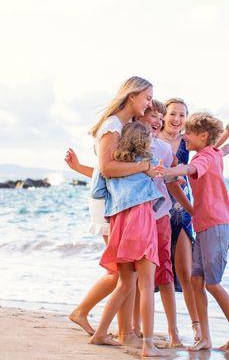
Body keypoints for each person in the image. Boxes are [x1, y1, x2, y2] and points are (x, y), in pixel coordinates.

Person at [65, 76, 157, 348]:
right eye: (147, 98)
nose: (150, 103)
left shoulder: (125, 126)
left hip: (120, 201)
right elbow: (107, 169)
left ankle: (122, 330)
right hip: (111, 204)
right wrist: (143, 168)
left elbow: (106, 170)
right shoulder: (113, 126)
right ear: (132, 96)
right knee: (122, 273)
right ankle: (97, 320)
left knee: (125, 274)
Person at [155, 112, 229, 353]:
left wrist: (167, 172)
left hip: (215, 226)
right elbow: (224, 149)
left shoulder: (204, 158)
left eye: (189, 133)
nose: (184, 136)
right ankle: (204, 338)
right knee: (196, 281)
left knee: (213, 284)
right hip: (205, 225)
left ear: (203, 136)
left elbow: (190, 167)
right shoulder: (214, 152)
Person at [89, 122, 163, 357]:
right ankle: (148, 344)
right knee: (146, 284)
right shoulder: (144, 165)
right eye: (150, 138)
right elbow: (156, 192)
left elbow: (96, 192)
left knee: (124, 283)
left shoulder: (112, 169)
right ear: (143, 143)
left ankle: (100, 332)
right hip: (141, 220)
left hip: (119, 224)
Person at [132, 99, 192, 347]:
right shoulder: (130, 144)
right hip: (136, 217)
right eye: (152, 116)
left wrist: (191, 209)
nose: (156, 121)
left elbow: (172, 183)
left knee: (165, 272)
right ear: (140, 118)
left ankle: (174, 333)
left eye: (159, 117)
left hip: (161, 217)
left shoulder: (166, 150)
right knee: (136, 274)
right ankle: (133, 328)